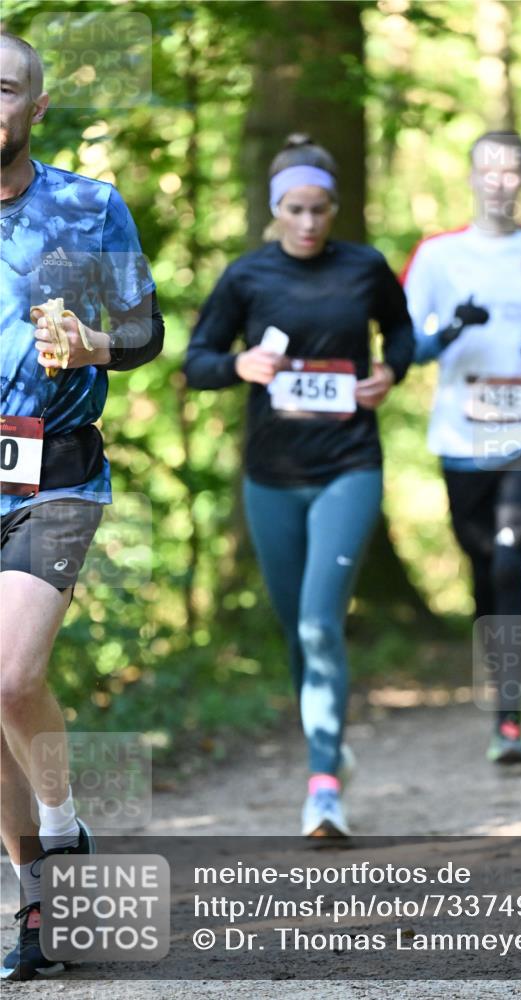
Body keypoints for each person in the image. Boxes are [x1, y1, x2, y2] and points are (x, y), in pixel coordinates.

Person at [185, 134, 413, 836]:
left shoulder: (364, 267)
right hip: (272, 477)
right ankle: (328, 748)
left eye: (319, 209)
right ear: (275, 210)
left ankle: (322, 789)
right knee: (296, 632)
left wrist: (390, 372)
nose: (308, 223)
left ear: (334, 208)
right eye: (295, 209)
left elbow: (401, 334)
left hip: (349, 467)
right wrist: (239, 366)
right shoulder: (247, 276)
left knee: (319, 623)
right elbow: (196, 360)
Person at [0, 33, 163, 980]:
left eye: (4, 88)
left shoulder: (87, 206)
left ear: (37, 107)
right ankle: (36, 906)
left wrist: (96, 344)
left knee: (10, 677)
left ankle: (61, 826)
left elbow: (146, 330)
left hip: (55, 473)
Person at [402, 130, 521, 763]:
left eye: (510, 171)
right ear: (470, 177)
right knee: (483, 567)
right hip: (460, 438)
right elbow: (405, 347)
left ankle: (510, 718)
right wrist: (450, 331)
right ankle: (500, 686)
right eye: (487, 170)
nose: (498, 182)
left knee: (511, 554)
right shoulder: (437, 256)